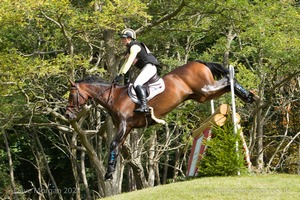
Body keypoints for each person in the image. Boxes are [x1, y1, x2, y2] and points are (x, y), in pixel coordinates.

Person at [113, 28, 160, 113]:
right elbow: (125, 63)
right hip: (146, 68)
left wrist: (121, 74)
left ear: (129, 38)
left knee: (137, 84)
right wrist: (118, 75)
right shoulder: (129, 49)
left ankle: (144, 106)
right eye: (122, 38)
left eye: (124, 38)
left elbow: (130, 61)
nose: (122, 40)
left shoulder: (134, 47)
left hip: (150, 67)